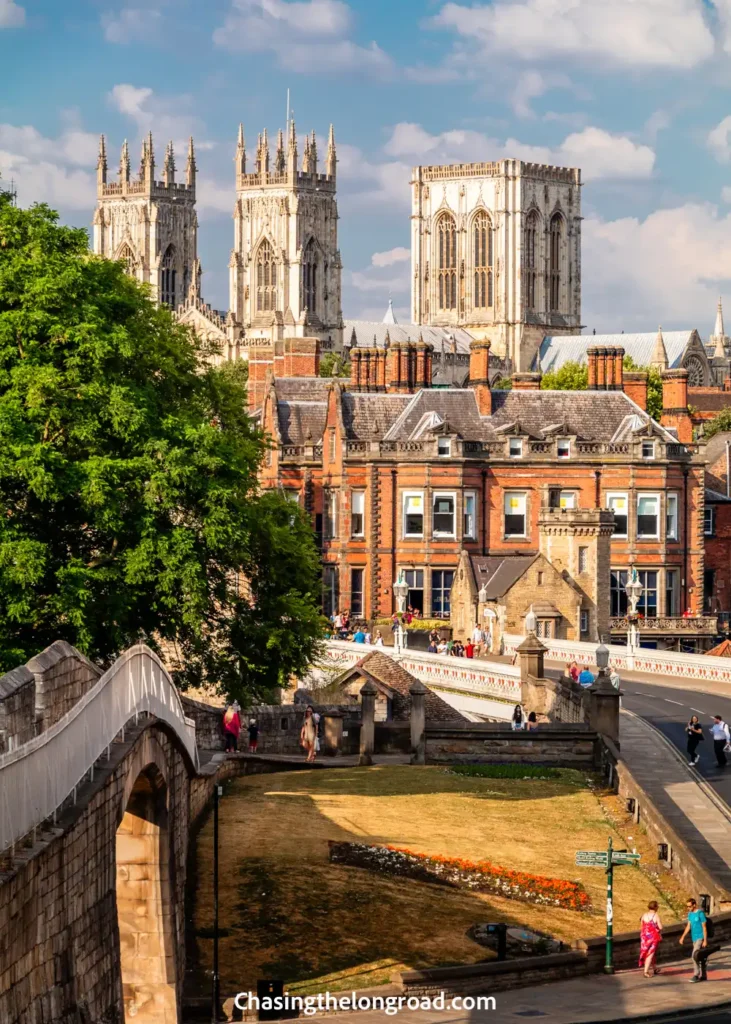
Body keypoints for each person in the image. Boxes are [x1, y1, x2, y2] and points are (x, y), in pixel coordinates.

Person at [679, 897, 707, 982]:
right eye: (687, 906)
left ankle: (696, 974)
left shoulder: (700, 914)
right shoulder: (690, 914)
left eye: (690, 906)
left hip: (700, 937)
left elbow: (704, 927)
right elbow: (688, 926)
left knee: (694, 955)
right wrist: (682, 936)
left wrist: (705, 940)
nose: (688, 908)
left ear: (694, 905)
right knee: (701, 956)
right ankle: (704, 975)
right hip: (694, 937)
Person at [639, 901, 663, 977]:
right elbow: (660, 927)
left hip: (644, 937)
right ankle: (646, 972)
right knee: (650, 953)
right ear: (655, 907)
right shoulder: (656, 915)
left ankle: (655, 968)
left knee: (648, 952)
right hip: (653, 937)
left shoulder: (644, 915)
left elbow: (642, 926)